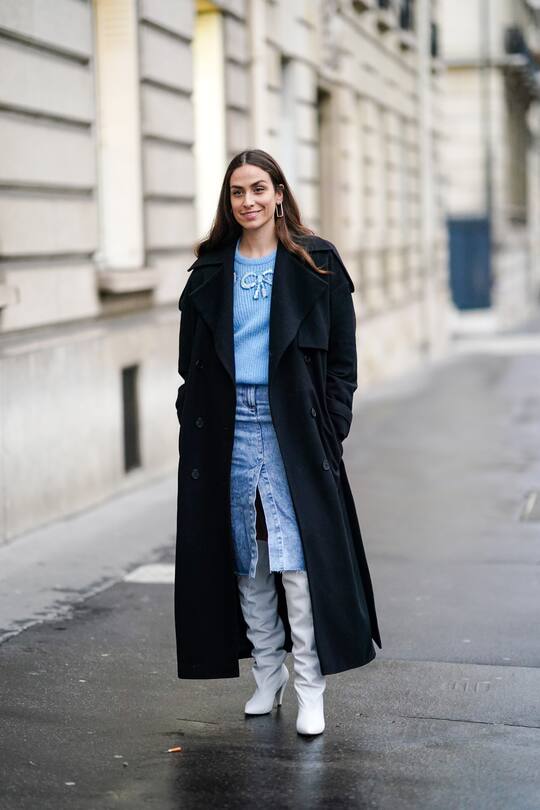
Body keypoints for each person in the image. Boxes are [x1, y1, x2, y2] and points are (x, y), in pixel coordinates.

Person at [174, 149, 381, 737]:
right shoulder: (211, 268)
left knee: (296, 562)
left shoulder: (317, 264)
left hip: (294, 427)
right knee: (248, 561)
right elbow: (190, 365)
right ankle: (268, 674)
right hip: (226, 429)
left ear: (280, 194)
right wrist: (191, 417)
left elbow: (343, 359)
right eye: (238, 192)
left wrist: (330, 422)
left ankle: (310, 684)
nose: (249, 202)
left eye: (259, 189)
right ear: (229, 201)